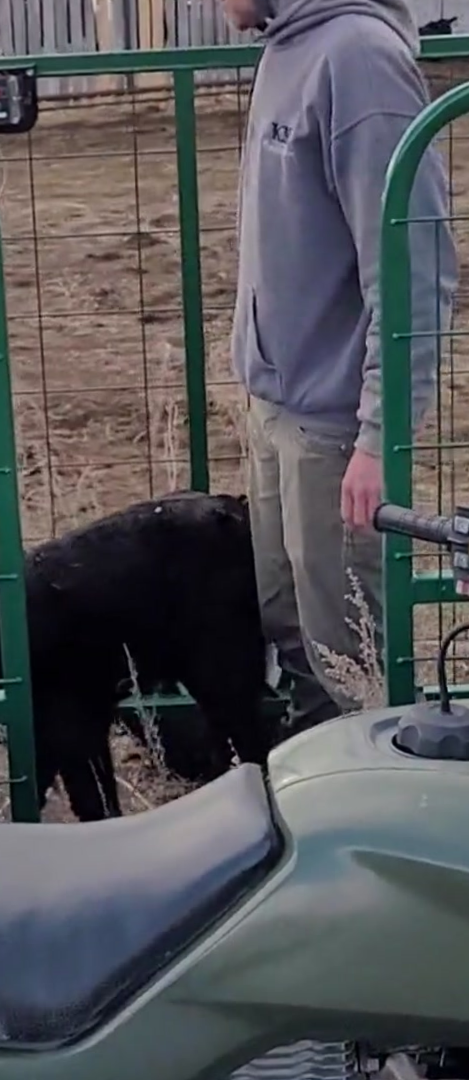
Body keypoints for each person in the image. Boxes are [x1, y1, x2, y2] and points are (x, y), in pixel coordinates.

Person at [224, 0, 458, 727]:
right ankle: (310, 799)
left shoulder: (357, 59)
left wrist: (375, 435)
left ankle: (370, 810)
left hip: (332, 427)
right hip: (279, 405)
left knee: (348, 659)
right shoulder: (286, 48)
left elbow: (412, 265)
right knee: (286, 623)